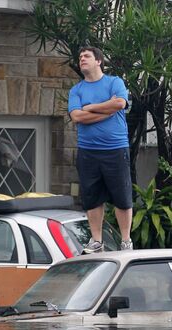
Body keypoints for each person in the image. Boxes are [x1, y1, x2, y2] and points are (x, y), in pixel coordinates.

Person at [67, 46, 133, 253]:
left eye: (86, 56)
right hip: (88, 151)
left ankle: (125, 241)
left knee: (122, 197)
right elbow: (77, 117)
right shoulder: (76, 90)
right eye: (80, 57)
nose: (82, 59)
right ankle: (96, 241)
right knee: (92, 197)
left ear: (98, 61)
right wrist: (106, 109)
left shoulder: (114, 82)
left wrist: (89, 107)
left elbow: (120, 103)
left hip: (116, 148)